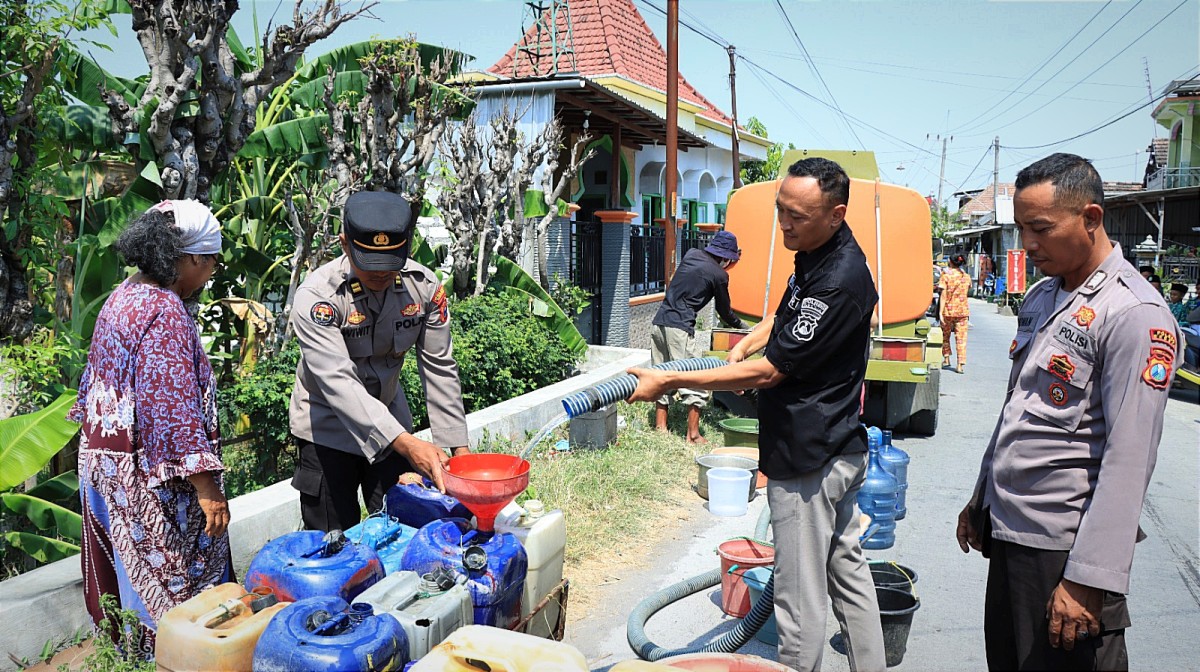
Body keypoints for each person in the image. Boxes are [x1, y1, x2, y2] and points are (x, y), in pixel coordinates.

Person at [628, 158, 886, 672]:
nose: (784, 224)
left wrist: (672, 378)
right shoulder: (817, 253)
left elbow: (770, 375)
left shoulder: (838, 279)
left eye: (797, 215)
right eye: (780, 211)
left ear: (835, 213)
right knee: (848, 575)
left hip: (809, 456)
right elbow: (787, 311)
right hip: (837, 445)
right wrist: (751, 335)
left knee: (798, 598)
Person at [956, 154, 1180, 671]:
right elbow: (1020, 407)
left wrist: (1089, 578)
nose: (1027, 245)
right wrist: (980, 497)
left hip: (1065, 552)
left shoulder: (1133, 315)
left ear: (1091, 219)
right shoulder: (1042, 296)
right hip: (1011, 534)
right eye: (1020, 230)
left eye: (1040, 229)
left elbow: (1129, 458)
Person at [69, 200, 231, 654]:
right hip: (144, 476)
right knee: (174, 589)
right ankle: (176, 661)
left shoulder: (124, 295)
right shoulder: (164, 311)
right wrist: (207, 488)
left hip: (106, 460)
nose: (212, 273)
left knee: (128, 578)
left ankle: (132, 660)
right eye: (212, 262)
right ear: (194, 259)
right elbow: (171, 408)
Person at [289, 190, 470, 532]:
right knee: (334, 542)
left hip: (390, 417)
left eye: (391, 263)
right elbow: (338, 382)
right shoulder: (317, 298)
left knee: (399, 526)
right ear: (344, 243)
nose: (381, 275)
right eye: (370, 262)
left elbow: (439, 367)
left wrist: (458, 448)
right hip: (326, 428)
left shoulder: (424, 288)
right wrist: (408, 443)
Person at [650, 230, 747, 443]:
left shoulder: (692, 254)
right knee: (696, 379)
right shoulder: (720, 275)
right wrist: (743, 327)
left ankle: (660, 426)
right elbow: (725, 311)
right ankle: (693, 434)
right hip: (680, 328)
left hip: (659, 323)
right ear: (726, 257)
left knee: (661, 375)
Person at [939, 252, 971, 373]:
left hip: (948, 311)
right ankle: (960, 365)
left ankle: (946, 358)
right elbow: (968, 289)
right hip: (963, 311)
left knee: (945, 336)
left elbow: (943, 295)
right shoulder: (966, 277)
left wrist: (940, 313)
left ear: (950, 262)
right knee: (961, 338)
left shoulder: (945, 276)